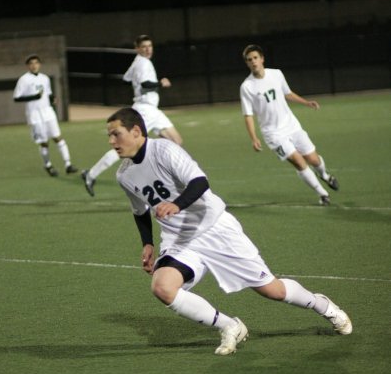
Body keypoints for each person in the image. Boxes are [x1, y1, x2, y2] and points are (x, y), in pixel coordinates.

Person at [106, 107, 352, 356]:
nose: (112, 141)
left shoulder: (165, 150)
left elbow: (200, 182)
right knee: (162, 287)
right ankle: (230, 326)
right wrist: (147, 243)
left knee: (272, 290)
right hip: (180, 241)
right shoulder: (124, 174)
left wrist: (177, 204)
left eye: (116, 134)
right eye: (109, 136)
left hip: (215, 229)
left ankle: (323, 306)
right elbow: (139, 211)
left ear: (136, 131)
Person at [81, 35, 182, 196]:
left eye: (150, 46)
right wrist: (160, 83)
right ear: (137, 49)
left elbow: (126, 77)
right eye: (144, 47)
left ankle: (167, 176)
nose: (148, 49)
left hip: (152, 110)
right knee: (126, 145)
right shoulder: (143, 63)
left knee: (176, 141)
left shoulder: (137, 62)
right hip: (145, 110)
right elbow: (145, 84)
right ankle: (91, 174)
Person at [240, 44, 339, 205]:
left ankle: (325, 175)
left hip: (291, 126)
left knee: (313, 159)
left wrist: (306, 103)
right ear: (247, 63)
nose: (253, 62)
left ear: (262, 59)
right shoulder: (246, 87)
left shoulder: (276, 74)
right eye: (249, 60)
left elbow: (288, 93)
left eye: (255, 58)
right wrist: (254, 138)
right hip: (273, 134)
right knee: (299, 162)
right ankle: (322, 194)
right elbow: (248, 115)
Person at [13, 54, 78, 177]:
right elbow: (16, 98)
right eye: (31, 63)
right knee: (44, 142)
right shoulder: (24, 79)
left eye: (36, 63)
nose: (34, 65)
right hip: (35, 115)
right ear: (28, 66)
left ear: (39, 64)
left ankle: (68, 164)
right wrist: (34, 97)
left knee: (58, 137)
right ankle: (48, 165)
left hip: (48, 112)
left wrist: (53, 98)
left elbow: (48, 93)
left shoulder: (45, 78)